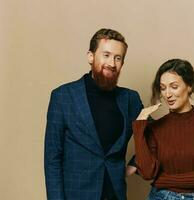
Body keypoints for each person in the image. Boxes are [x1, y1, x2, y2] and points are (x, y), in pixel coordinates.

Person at [44, 28, 143, 200]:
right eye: (106, 55)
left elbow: (158, 136)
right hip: (76, 195)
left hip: (115, 194)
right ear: (91, 56)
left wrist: (136, 163)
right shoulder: (63, 96)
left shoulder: (130, 99)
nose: (112, 63)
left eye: (118, 58)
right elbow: (52, 159)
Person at [132, 59, 194, 200]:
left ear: (189, 86)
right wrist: (139, 127)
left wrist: (163, 180)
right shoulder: (155, 129)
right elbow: (147, 173)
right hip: (161, 197)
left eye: (174, 86)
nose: (167, 94)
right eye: (163, 88)